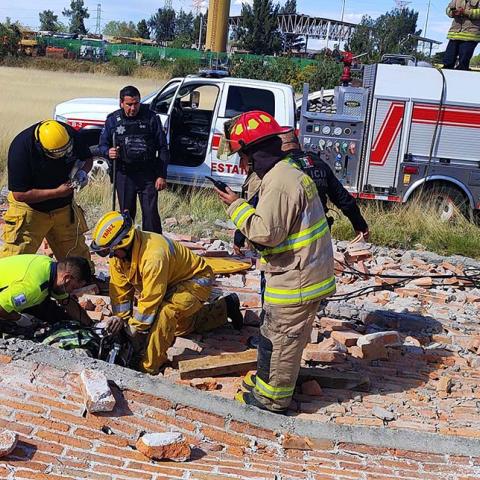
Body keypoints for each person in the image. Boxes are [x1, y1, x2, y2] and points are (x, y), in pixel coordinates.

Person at [214, 111, 336, 413]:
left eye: (243, 156)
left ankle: (273, 399)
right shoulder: (283, 174)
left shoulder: (280, 183)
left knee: (280, 341)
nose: (242, 164)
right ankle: (268, 384)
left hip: (296, 278)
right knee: (277, 338)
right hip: (299, 273)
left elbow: (266, 233)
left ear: (254, 154)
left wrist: (236, 207)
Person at [90, 211, 244, 375]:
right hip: (168, 281)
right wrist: (119, 319)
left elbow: (150, 303)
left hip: (195, 281)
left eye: (109, 251)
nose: (109, 256)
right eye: (104, 252)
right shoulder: (119, 257)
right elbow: (120, 292)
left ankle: (149, 366)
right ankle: (225, 307)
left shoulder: (153, 256)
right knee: (177, 328)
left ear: (123, 243)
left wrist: (133, 331)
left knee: (166, 313)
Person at [0, 120, 93, 270]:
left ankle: (82, 285)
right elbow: (20, 194)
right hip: (30, 210)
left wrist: (83, 172)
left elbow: (87, 157)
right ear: (41, 147)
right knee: (13, 261)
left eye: (66, 151)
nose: (63, 155)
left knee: (78, 260)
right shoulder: (21, 149)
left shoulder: (67, 133)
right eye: (58, 153)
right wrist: (57, 192)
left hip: (63, 208)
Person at [98, 85, 169, 234]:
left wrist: (161, 175)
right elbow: (102, 144)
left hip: (148, 175)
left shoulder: (151, 118)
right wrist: (108, 152)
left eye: (136, 103)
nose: (133, 108)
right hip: (124, 175)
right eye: (129, 104)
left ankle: (154, 248)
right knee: (126, 216)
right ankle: (127, 250)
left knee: (151, 215)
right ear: (121, 103)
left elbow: (163, 148)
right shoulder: (112, 120)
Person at [0, 254, 105, 330]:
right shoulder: (34, 287)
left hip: (11, 291)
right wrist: (19, 319)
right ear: (67, 278)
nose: (73, 291)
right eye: (73, 287)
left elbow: (67, 303)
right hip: (4, 300)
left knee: (55, 314)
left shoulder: (50, 268)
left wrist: (92, 325)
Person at [444, 1, 480, 70]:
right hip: (454, 35)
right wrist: (453, 12)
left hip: (470, 35)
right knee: (448, 61)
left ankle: (462, 77)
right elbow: (448, 9)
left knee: (463, 64)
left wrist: (465, 12)